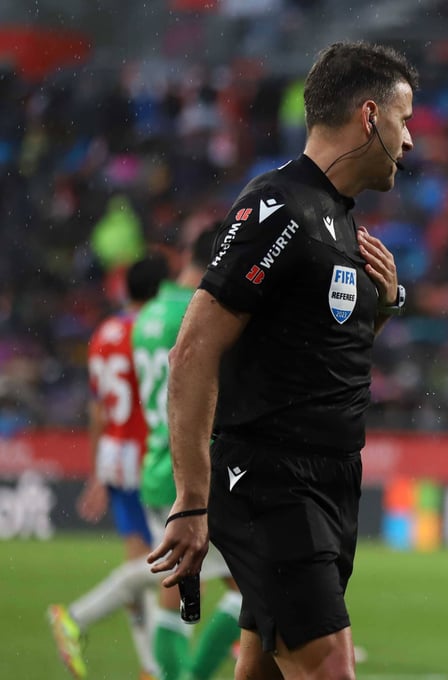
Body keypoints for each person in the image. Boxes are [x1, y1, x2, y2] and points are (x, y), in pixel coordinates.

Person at [146, 41, 416, 680]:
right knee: (329, 670)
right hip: (272, 481)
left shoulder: (341, 223)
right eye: (404, 120)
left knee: (261, 670)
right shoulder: (278, 207)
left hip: (330, 480)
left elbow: (321, 353)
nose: (409, 141)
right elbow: (193, 349)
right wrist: (191, 500)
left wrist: (383, 306)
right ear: (370, 116)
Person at [49, 254, 168, 680]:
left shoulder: (104, 332)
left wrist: (97, 470)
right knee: (168, 565)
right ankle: (77, 616)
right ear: (159, 290)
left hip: (114, 456)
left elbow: (98, 408)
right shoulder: (150, 331)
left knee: (142, 562)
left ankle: (150, 665)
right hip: (144, 455)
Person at [134, 225, 242, 680]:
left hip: (158, 466)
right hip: (197, 469)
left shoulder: (148, 314)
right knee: (253, 592)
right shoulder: (202, 311)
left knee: (174, 592)